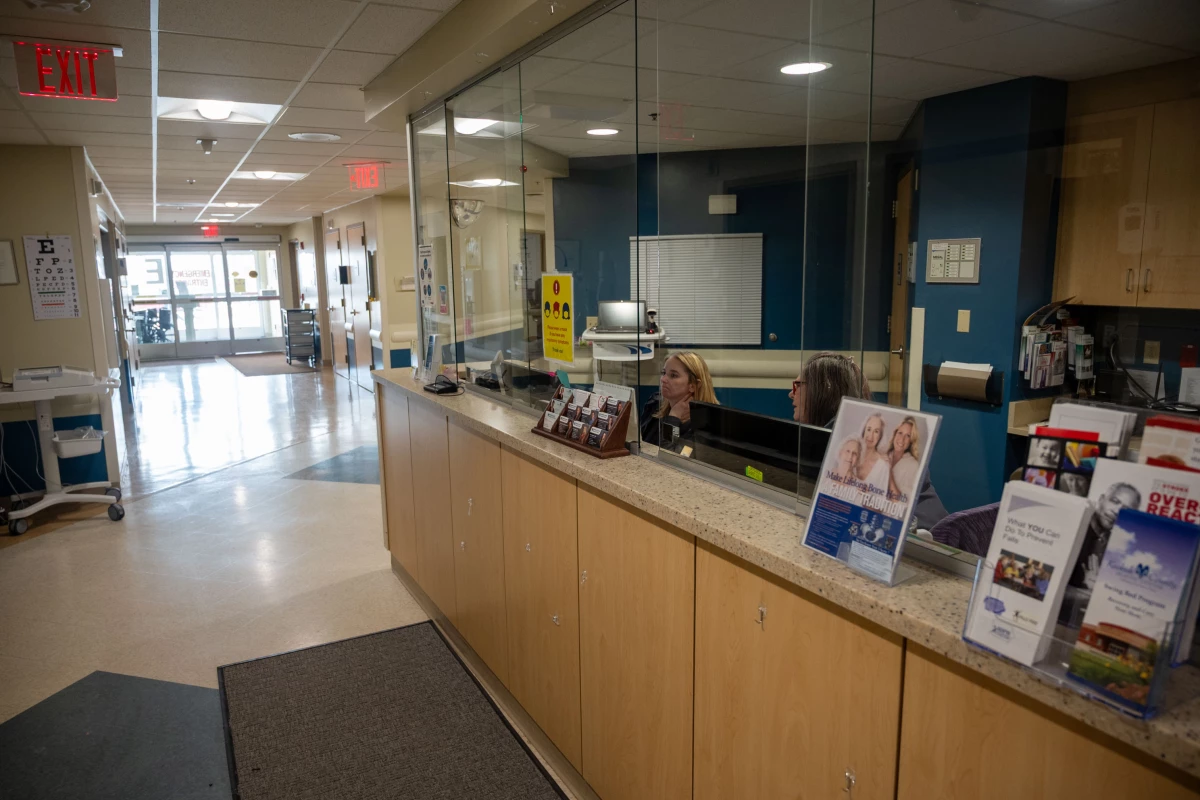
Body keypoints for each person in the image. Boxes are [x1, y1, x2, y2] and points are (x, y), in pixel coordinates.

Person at [788, 352, 948, 529]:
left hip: (924, 544)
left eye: (797, 386)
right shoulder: (831, 440)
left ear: (823, 390)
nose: (790, 394)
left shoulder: (843, 445)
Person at [640, 351, 717, 448]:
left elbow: (668, 456)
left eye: (673, 375)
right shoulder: (655, 403)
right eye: (664, 373)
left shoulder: (707, 426)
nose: (663, 379)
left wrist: (674, 417)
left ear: (693, 386)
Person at [885, 417, 921, 501]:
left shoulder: (913, 465)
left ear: (911, 441)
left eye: (908, 436)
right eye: (900, 433)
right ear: (895, 434)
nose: (902, 439)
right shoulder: (883, 453)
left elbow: (899, 501)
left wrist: (889, 472)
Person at [856, 413, 890, 495]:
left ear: (880, 436)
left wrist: (867, 496)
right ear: (864, 431)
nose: (870, 436)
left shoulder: (882, 466)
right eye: (869, 429)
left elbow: (881, 503)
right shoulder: (851, 454)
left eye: (876, 431)